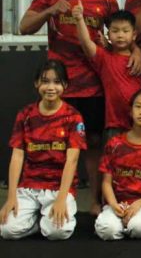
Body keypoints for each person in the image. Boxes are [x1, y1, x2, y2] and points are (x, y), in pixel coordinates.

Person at [19, 0, 129, 214]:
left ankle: (95, 201)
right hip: (58, 85)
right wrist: (49, 11)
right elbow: (24, 27)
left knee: (94, 143)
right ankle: (52, 200)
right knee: (55, 143)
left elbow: (122, 35)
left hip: (94, 84)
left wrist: (132, 51)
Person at [0, 60, 87, 240]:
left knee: (57, 232)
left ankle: (48, 221)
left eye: (57, 82)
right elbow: (17, 156)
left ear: (65, 85)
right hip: (29, 185)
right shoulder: (25, 115)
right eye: (45, 81)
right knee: (7, 230)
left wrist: (62, 198)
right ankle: (36, 222)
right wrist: (11, 196)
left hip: (58, 187)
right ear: (36, 83)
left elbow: (72, 160)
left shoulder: (73, 116)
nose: (51, 87)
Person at [95, 89, 141, 240]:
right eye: (138, 106)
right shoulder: (115, 144)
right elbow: (106, 182)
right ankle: (119, 225)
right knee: (107, 230)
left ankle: (128, 226)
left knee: (138, 228)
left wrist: (138, 204)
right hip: (117, 203)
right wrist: (114, 204)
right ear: (130, 111)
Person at [73, 5, 141, 140]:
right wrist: (79, 19)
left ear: (134, 35)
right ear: (108, 34)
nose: (120, 35)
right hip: (114, 124)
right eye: (115, 31)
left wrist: (138, 51)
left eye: (125, 31)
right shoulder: (105, 58)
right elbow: (86, 43)